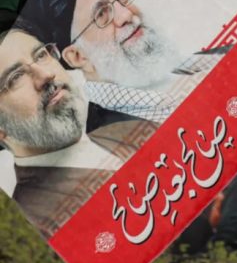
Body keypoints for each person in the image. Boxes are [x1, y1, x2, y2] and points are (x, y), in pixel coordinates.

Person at [21, 0, 226, 123]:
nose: (126, 15)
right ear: (76, 56)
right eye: (102, 14)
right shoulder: (107, 136)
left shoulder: (205, 61)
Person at [0, 25, 152, 237]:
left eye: (41, 55)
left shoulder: (130, 128)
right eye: (15, 77)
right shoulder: (34, 226)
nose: (46, 74)